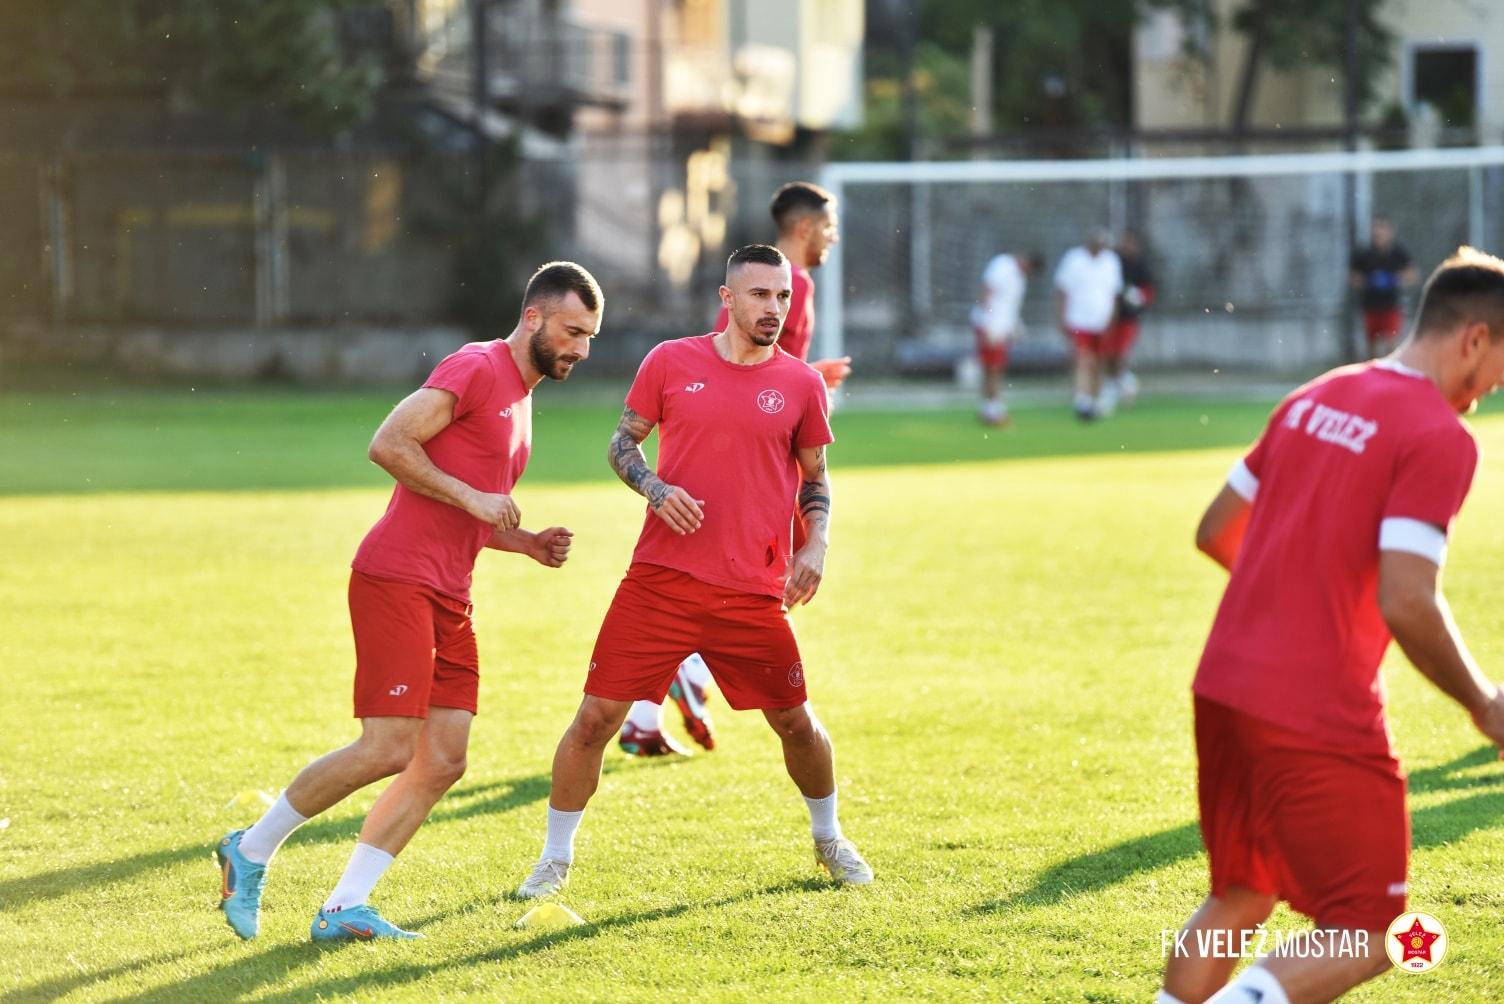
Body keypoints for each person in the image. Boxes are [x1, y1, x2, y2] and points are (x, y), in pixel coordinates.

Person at [215, 262, 603, 941]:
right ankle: (248, 849)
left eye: (591, 336)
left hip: (450, 593)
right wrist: (476, 498)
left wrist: (528, 543)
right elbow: (388, 443)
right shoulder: (478, 367)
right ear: (535, 317)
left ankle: (342, 909)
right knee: (390, 745)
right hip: (396, 578)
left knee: (445, 759)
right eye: (572, 331)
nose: (581, 349)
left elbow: (470, 511)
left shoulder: (523, 397)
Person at [1158, 247, 1504, 1004]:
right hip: (1314, 706)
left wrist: (1298, 596)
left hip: (1224, 682)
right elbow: (1408, 598)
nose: (1498, 387)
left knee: (1242, 893)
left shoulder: (1320, 393)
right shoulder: (1441, 436)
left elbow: (1217, 530)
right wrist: (1484, 702)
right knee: (1372, 925)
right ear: (1475, 338)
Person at [515, 244, 873, 899]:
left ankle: (830, 839)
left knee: (796, 722)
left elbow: (816, 479)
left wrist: (815, 544)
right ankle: (554, 859)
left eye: (783, 297)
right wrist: (654, 488)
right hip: (660, 582)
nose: (773, 308)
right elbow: (623, 443)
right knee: (595, 720)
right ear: (728, 298)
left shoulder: (800, 384)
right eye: (761, 295)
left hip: (751, 589)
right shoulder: (671, 361)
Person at [618, 181, 851, 757]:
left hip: (752, 445)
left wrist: (808, 379)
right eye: (828, 226)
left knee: (732, 578)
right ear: (803, 228)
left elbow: (771, 372)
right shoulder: (787, 284)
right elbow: (753, 368)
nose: (832, 236)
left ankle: (652, 711)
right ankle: (694, 670)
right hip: (757, 462)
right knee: (762, 582)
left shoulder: (769, 287)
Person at [1054, 229, 1123, 420]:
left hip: (1101, 320)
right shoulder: (1074, 259)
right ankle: (1082, 400)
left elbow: (1114, 293)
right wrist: (1061, 318)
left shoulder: (1111, 261)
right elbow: (1062, 291)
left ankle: (1095, 398)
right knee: (1083, 359)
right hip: (1078, 319)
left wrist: (1112, 319)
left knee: (1099, 361)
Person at [970, 250, 1042, 426]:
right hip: (990, 326)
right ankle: (994, 409)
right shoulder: (1003, 265)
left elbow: (1010, 306)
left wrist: (1016, 326)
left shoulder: (1020, 279)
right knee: (994, 368)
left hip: (1001, 328)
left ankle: (988, 408)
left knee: (993, 368)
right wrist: (989, 323)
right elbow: (987, 293)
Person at [1100, 230, 1154, 414]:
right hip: (1111, 317)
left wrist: (1139, 297)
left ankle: (1120, 383)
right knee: (1108, 354)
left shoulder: (1141, 266)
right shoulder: (1114, 263)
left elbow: (1149, 291)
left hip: (1129, 318)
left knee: (1122, 354)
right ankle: (1121, 383)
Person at [1350, 215, 1418, 358]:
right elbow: (1353, 278)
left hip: (1391, 306)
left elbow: (1412, 275)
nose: (1378, 232)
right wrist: (1368, 281)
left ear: (1389, 231)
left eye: (1382, 228)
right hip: (1370, 306)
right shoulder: (1364, 255)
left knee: (1391, 345)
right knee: (1372, 348)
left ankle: (1390, 375)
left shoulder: (1398, 253)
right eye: (1375, 228)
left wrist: (1395, 279)